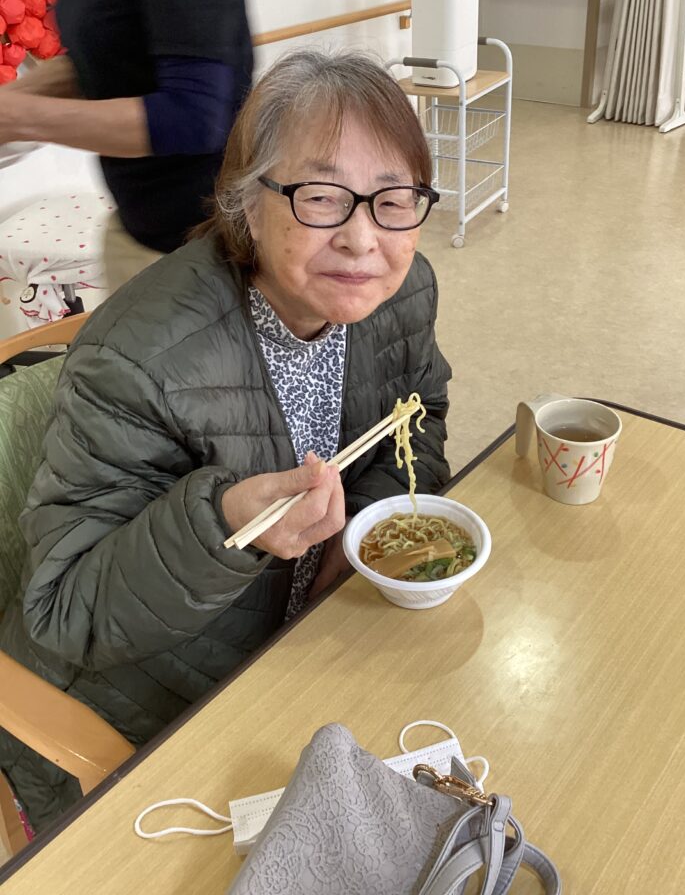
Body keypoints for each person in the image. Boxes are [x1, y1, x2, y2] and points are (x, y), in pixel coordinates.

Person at [0, 49, 451, 832]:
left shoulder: (403, 291)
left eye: (393, 200)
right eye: (321, 197)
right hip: (149, 706)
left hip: (314, 651)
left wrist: (354, 538)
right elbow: (66, 612)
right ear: (248, 201)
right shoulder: (136, 359)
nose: (363, 239)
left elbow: (420, 416)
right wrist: (224, 527)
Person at [0, 0, 254, 291]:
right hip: (139, 228)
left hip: (207, 251)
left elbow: (194, 116)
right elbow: (103, 62)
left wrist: (16, 117)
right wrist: (12, 105)